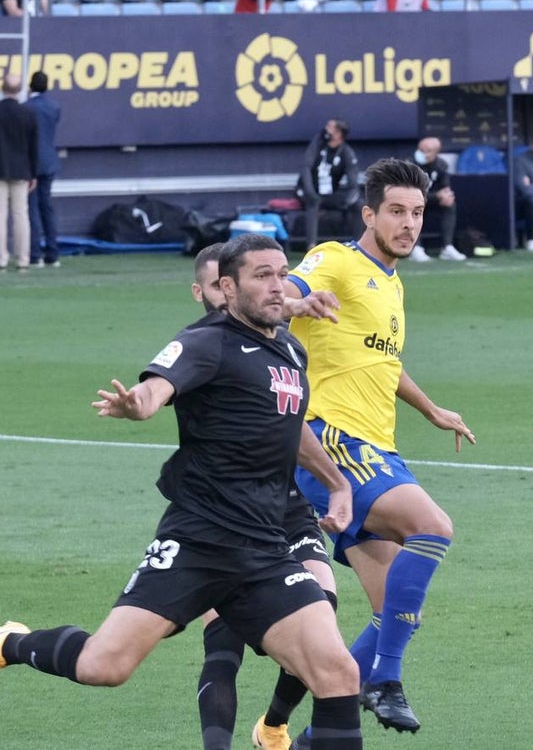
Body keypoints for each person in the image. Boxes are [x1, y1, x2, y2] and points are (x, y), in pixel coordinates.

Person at [0, 234, 365, 750]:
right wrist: (138, 404)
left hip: (265, 549)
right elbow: (158, 386)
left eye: (281, 272)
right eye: (262, 276)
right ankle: (10, 642)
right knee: (104, 666)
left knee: (339, 674)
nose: (278, 285)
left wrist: (338, 483)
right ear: (226, 288)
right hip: (198, 542)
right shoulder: (207, 342)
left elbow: (288, 426)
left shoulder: (290, 349)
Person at [286, 158, 476, 738]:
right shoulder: (336, 260)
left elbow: (381, 362)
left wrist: (431, 409)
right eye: (396, 211)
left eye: (417, 213)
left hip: (377, 447)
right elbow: (287, 290)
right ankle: (385, 680)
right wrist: (298, 303)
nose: (409, 223)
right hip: (330, 441)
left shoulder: (392, 282)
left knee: (395, 609)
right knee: (434, 527)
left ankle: (317, 733)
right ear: (369, 213)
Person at [186, 244, 340, 750]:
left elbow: (281, 309)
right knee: (223, 638)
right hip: (221, 515)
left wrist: (301, 303)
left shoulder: (277, 340)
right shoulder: (201, 349)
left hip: (286, 506)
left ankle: (273, 724)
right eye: (213, 289)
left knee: (324, 603)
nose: (222, 298)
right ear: (206, 292)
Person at [0, 73, 38, 272]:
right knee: (21, 215)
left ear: (2, 88)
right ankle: (23, 260)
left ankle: (0, 259)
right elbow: (33, 146)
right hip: (21, 170)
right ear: (20, 90)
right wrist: (33, 173)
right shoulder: (28, 114)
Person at [296, 119, 361, 251]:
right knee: (313, 203)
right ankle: (311, 246)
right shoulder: (318, 144)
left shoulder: (346, 152)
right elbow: (306, 167)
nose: (326, 129)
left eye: (330, 127)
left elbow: (353, 182)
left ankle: (359, 246)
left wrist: (350, 199)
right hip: (308, 191)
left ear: (339, 134)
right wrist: (310, 192)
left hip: (329, 194)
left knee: (359, 205)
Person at [25, 71, 62, 268]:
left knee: (31, 209)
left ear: (31, 86)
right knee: (46, 207)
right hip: (48, 162)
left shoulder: (26, 108)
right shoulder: (54, 106)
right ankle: (53, 254)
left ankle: (34, 254)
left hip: (31, 164)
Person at [408, 136, 464, 262]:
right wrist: (437, 195)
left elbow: (445, 187)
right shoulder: (410, 166)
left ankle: (447, 247)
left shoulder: (441, 165)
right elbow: (410, 193)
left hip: (430, 200)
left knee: (450, 204)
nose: (421, 153)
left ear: (435, 153)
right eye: (420, 149)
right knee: (413, 208)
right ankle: (416, 247)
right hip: (413, 201)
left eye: (426, 150)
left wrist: (447, 196)